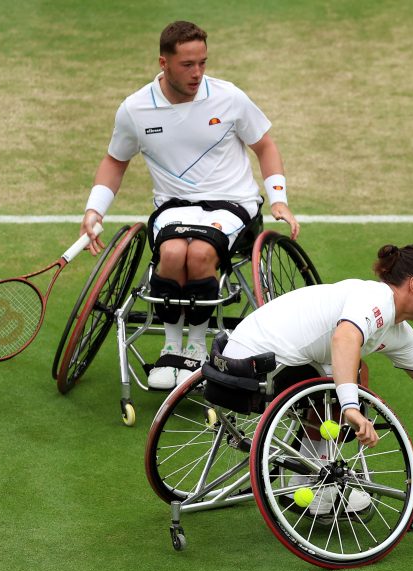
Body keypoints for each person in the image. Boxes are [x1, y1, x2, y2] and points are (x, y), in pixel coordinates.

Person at [78, 20, 300, 390]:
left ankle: (196, 348)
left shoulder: (229, 98)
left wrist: (279, 200)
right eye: (187, 65)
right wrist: (93, 209)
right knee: (170, 253)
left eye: (203, 63)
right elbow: (115, 161)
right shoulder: (135, 109)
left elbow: (265, 146)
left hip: (233, 204)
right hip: (175, 207)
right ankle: (170, 345)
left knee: (198, 255)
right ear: (163, 62)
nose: (197, 73)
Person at [221, 244, 413, 514]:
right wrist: (350, 405)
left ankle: (310, 478)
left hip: (254, 357)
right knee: (352, 375)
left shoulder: (396, 329)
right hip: (255, 364)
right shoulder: (377, 299)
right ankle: (315, 483)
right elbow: (345, 337)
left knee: (356, 371)